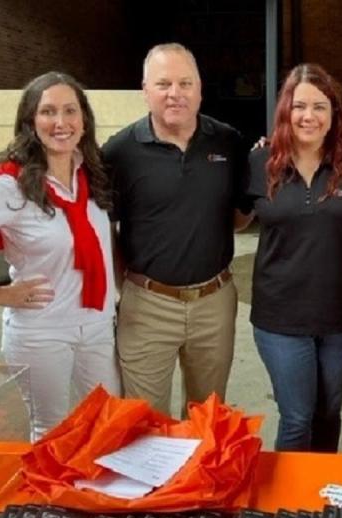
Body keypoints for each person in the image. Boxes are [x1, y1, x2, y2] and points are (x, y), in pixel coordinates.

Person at [102, 43, 252, 417]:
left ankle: (198, 478)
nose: (175, 94)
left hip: (214, 302)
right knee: (143, 421)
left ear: (200, 88)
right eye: (164, 83)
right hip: (147, 304)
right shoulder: (119, 152)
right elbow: (108, 227)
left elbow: (239, 217)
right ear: (145, 89)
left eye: (185, 83)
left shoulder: (229, 142)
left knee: (206, 419)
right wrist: (128, 288)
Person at [0, 71, 122, 442]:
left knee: (107, 422)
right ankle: (49, 503)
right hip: (42, 331)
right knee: (51, 432)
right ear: (31, 120)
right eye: (48, 112)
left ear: (84, 120)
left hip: (96, 325)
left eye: (70, 111)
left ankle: (93, 499)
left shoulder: (90, 171)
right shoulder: (9, 184)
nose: (60, 122)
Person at [245, 64, 342, 452]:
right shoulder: (260, 163)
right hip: (280, 316)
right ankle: (291, 508)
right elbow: (232, 218)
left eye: (320, 107)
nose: (309, 116)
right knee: (298, 417)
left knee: (329, 412)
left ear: (334, 116)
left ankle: (320, 498)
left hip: (339, 317)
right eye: (300, 106)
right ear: (286, 111)